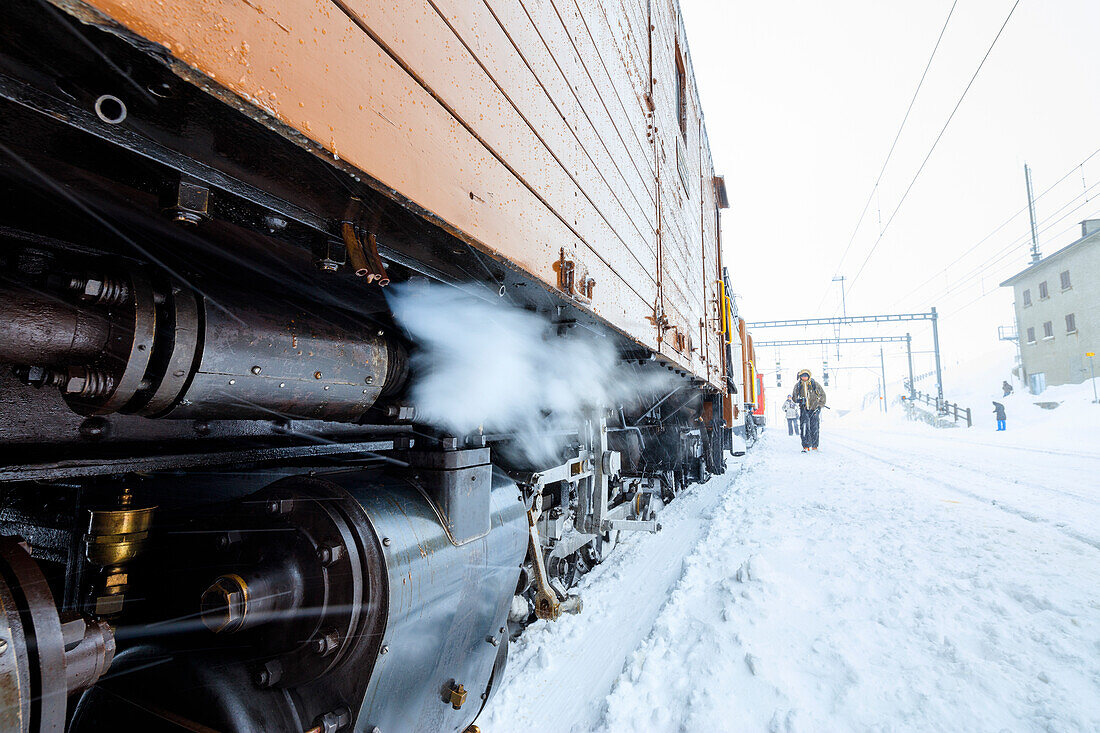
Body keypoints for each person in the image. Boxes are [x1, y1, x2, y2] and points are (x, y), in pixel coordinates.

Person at [791, 369, 826, 452]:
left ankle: (814, 446)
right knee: (804, 428)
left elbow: (823, 395)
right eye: (803, 376)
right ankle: (806, 446)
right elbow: (794, 397)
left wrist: (819, 406)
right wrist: (799, 400)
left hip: (814, 409)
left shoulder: (815, 384)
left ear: (809, 376)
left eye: (806, 376)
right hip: (804, 409)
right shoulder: (798, 386)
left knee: (815, 427)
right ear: (800, 377)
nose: (804, 377)